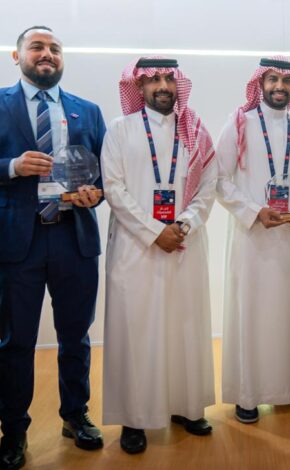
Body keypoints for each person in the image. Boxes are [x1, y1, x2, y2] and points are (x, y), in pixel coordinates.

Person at [0, 26, 105, 470]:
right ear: (17, 56)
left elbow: (103, 176)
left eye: (55, 49)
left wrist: (95, 195)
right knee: (15, 341)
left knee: (76, 337)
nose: (47, 54)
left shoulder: (88, 111)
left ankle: (75, 415)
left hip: (73, 238)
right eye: (37, 47)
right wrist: (12, 166)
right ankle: (13, 430)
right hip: (16, 243)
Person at [101, 57, 218, 454]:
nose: (163, 86)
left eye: (170, 78)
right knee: (137, 333)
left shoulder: (196, 131)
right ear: (139, 86)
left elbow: (209, 185)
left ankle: (187, 407)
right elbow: (114, 189)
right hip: (136, 250)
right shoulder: (120, 130)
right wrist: (155, 232)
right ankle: (134, 418)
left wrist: (183, 224)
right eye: (154, 80)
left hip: (184, 244)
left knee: (185, 329)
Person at [215, 56, 290, 424]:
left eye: (286, 81)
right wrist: (254, 211)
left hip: (289, 238)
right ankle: (249, 393)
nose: (279, 86)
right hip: (253, 239)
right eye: (272, 79)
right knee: (253, 313)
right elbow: (219, 179)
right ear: (260, 83)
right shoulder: (238, 124)